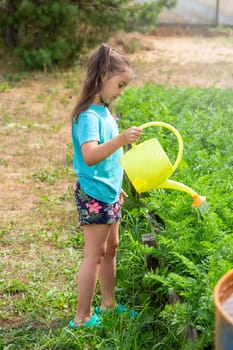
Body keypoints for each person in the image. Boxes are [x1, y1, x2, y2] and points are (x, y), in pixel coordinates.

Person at [69, 43, 142, 329]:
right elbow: (90, 156)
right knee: (95, 255)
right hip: (96, 195)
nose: (121, 91)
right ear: (102, 76)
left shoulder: (105, 111)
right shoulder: (89, 116)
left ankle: (108, 305)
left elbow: (109, 162)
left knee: (112, 248)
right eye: (120, 84)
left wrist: (117, 185)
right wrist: (122, 139)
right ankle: (82, 317)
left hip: (110, 192)